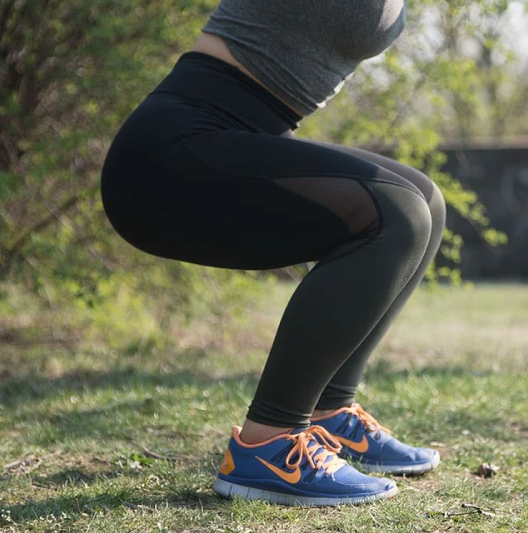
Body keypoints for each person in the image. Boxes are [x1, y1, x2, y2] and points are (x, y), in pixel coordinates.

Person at [100, 0, 446, 507]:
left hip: (233, 138)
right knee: (396, 214)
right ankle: (268, 444)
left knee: (424, 201)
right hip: (171, 151)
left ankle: (329, 416)